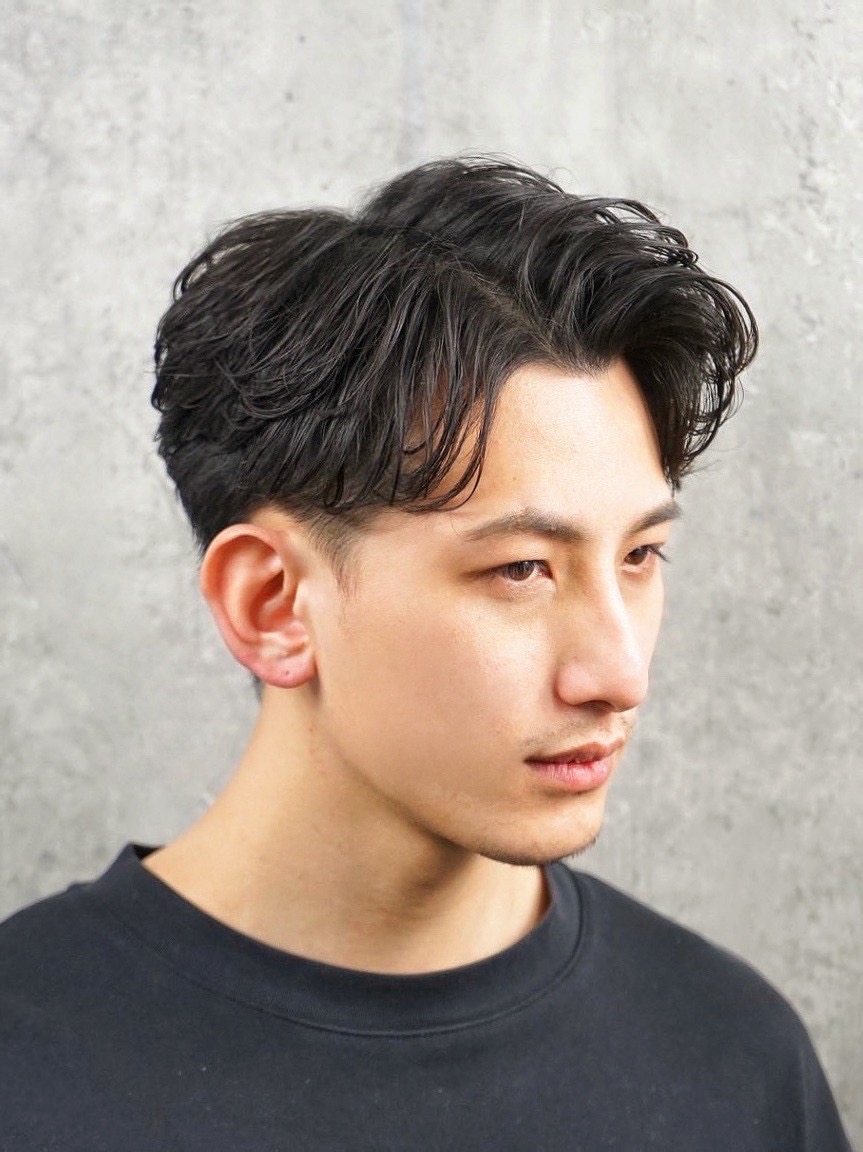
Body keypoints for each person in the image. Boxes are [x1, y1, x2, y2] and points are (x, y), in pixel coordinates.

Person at [0, 158, 851, 1151]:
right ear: (271, 603)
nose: (618, 675)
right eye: (522, 569)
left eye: (638, 557)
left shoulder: (731, 1061)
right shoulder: (27, 1070)